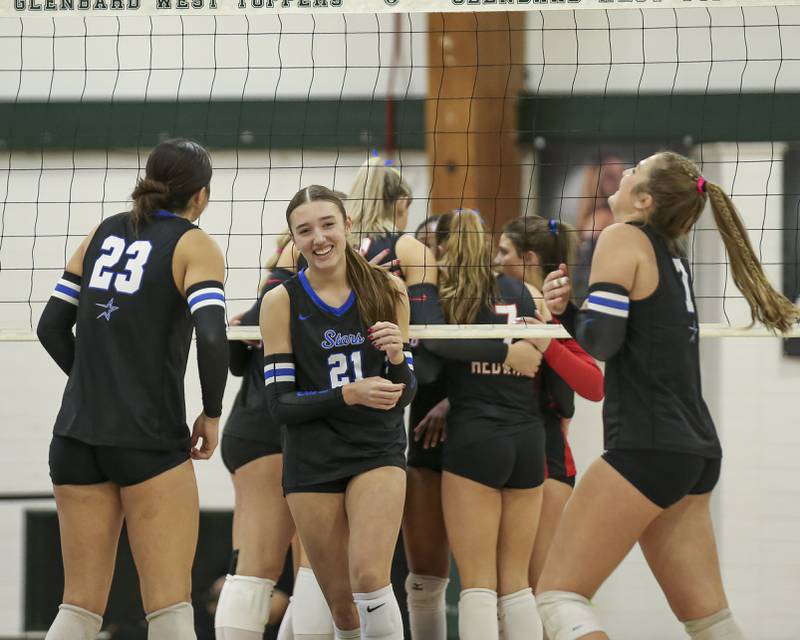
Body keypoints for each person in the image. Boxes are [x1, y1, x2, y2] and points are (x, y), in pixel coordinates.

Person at [536, 151, 799, 640]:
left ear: (644, 199)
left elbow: (602, 343)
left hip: (647, 446)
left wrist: (573, 312)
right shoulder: (668, 253)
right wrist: (573, 311)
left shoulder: (622, 237)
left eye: (636, 169)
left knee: (558, 599)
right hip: (693, 450)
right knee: (710, 620)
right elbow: (615, 336)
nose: (626, 170)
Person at [36, 139, 228, 640]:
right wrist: (211, 411)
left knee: (77, 607)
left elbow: (50, 327)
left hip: (76, 437)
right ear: (200, 196)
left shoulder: (101, 232)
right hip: (149, 439)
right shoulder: (194, 243)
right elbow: (212, 334)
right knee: (168, 607)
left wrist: (94, 382)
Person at [261, 185, 417, 640]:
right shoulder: (281, 301)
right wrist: (347, 394)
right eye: (305, 231)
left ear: (348, 225)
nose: (319, 238)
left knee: (370, 579)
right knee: (342, 609)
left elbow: (404, 392)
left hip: (376, 450)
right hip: (311, 459)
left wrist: (395, 359)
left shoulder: (388, 289)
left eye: (328, 224)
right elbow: (279, 405)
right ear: (294, 240)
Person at [432, 209, 550, 640]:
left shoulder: (449, 296)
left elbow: (429, 350)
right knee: (517, 585)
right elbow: (542, 353)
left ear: (445, 248)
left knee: (478, 583)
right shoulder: (529, 294)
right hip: (527, 439)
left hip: (476, 439)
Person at [494, 215, 604, 590]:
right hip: (496, 452)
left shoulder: (552, 310)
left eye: (503, 251)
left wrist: (548, 342)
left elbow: (592, 386)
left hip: (546, 456)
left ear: (527, 258)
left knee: (537, 589)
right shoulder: (492, 300)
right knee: (500, 590)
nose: (495, 259)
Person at [214, 234, 298, 640]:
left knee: (311, 573)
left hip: (258, 432)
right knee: (257, 569)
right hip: (267, 434)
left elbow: (234, 358)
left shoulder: (265, 307)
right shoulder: (281, 301)